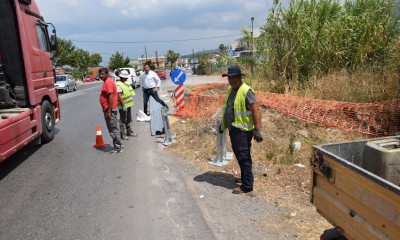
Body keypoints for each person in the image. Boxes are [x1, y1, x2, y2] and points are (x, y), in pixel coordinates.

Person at [220, 65, 263, 194]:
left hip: (243, 131)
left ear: (240, 77)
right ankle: (245, 179)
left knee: (244, 157)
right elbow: (229, 108)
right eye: (229, 78)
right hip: (235, 130)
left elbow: (255, 110)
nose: (231, 80)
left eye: (233, 78)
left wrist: (257, 129)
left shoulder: (246, 91)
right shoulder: (231, 90)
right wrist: (223, 124)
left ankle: (247, 186)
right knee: (240, 156)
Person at [99, 67, 123, 154]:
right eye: (100, 74)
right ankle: (118, 145)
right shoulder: (107, 81)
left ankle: (118, 147)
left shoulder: (108, 82)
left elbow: (111, 96)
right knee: (114, 128)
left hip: (110, 109)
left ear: (106, 74)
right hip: (108, 108)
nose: (100, 76)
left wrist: (109, 111)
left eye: (102, 74)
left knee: (113, 129)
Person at [117, 70, 137, 139]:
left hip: (128, 105)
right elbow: (119, 96)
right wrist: (123, 105)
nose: (127, 78)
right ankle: (122, 134)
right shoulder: (118, 85)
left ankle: (129, 132)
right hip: (123, 106)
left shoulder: (125, 83)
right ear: (122, 77)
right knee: (123, 120)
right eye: (125, 77)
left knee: (128, 119)